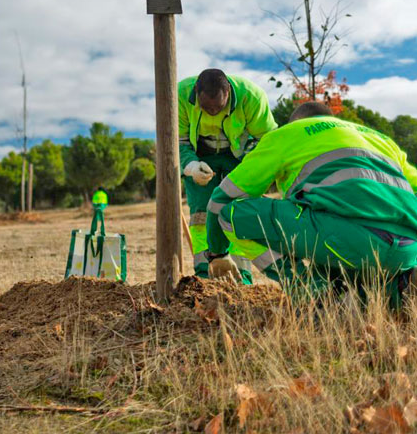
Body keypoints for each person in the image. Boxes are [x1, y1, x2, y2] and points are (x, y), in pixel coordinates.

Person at [206, 101, 417, 306]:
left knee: (231, 213)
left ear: (295, 122)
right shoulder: (380, 140)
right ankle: (401, 287)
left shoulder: (289, 133)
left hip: (349, 241)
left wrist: (218, 254)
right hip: (408, 248)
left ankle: (312, 293)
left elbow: (221, 198)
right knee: (362, 284)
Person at [179, 69, 277, 283]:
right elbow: (177, 141)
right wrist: (191, 166)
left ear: (229, 93)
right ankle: (206, 275)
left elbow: (267, 140)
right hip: (199, 155)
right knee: (201, 215)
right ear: (196, 93)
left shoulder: (252, 97)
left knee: (237, 211)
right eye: (207, 108)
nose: (213, 113)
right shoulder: (179, 94)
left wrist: (247, 168)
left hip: (239, 158)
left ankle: (241, 275)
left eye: (219, 107)